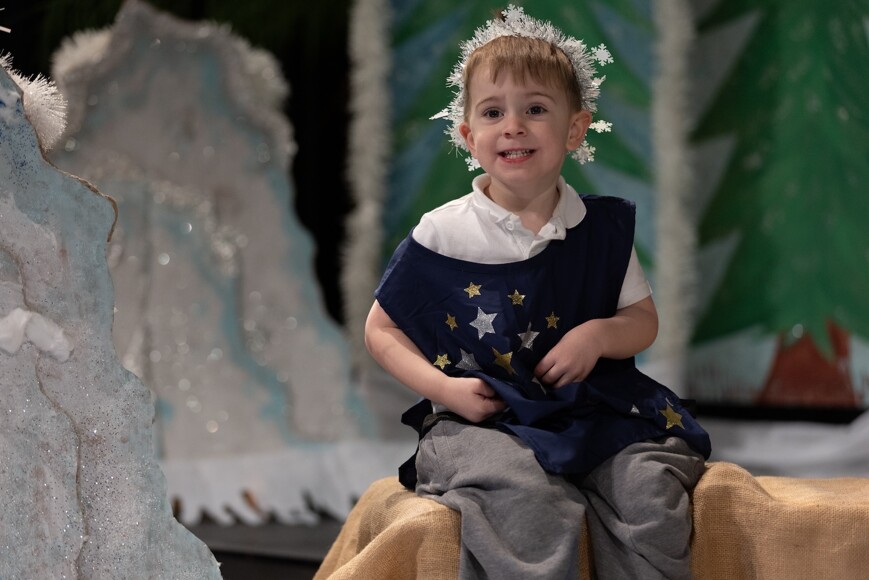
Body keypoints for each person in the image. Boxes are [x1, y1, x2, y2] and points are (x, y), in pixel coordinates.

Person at [364, 6, 711, 579]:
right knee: (527, 499)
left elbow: (642, 320)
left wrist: (598, 335)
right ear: (469, 137)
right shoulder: (444, 232)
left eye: (535, 109)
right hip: (482, 420)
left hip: (588, 408)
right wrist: (445, 391)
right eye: (493, 112)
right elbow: (381, 330)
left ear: (575, 129)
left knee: (649, 491)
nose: (514, 126)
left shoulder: (597, 230)